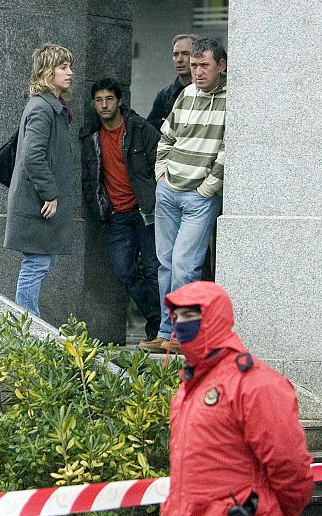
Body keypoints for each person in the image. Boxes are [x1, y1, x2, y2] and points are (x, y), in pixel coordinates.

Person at [160, 280, 314, 516]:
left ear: (213, 317)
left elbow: (289, 463)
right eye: (176, 316)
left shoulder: (253, 382)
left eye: (190, 315)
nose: (180, 323)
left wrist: (289, 513)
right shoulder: (192, 387)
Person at [151, 37, 227, 353]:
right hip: (169, 189)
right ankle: (166, 332)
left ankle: (186, 337)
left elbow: (228, 148)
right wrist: (161, 174)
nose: (197, 72)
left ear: (221, 66)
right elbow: (166, 137)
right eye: (194, 66)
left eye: (204, 65)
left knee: (185, 266)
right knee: (166, 265)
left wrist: (208, 187)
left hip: (199, 196)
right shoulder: (186, 94)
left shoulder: (232, 99)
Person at [79, 78, 161, 344]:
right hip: (117, 215)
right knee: (123, 270)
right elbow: (89, 178)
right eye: (99, 100)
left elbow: (161, 162)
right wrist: (99, 208)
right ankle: (157, 318)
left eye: (109, 99)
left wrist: (156, 199)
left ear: (120, 101)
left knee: (153, 269)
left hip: (146, 211)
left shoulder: (139, 128)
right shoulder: (90, 136)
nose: (104, 105)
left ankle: (160, 330)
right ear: (93, 104)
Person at [4, 43, 74, 318]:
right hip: (37, 203)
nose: (70, 72)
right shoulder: (42, 109)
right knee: (36, 264)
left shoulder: (50, 107)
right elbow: (32, 157)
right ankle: (26, 327)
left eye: (70, 67)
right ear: (47, 72)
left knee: (41, 262)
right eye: (63, 67)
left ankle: (27, 323)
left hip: (38, 202)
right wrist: (50, 193)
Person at [145, 34, 198, 131]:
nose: (179, 60)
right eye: (175, 54)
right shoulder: (164, 95)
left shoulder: (206, 91)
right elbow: (150, 128)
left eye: (186, 54)